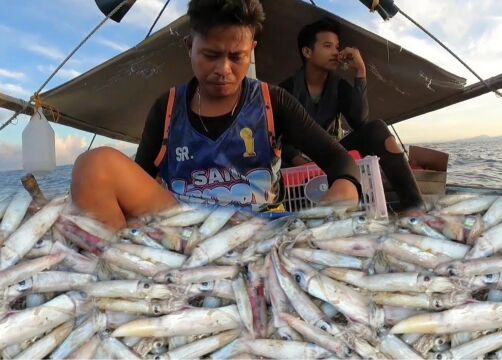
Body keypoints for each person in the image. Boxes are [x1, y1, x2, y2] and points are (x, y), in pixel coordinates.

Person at [70, 0, 362, 229]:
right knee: (95, 165)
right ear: (190, 48)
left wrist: (336, 202)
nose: (223, 69)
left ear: (252, 51)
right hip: (185, 230)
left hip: (261, 231)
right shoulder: (167, 108)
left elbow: (342, 163)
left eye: (237, 57)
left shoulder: (274, 101)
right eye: (211, 55)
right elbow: (141, 181)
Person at [279, 18, 424, 212]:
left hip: (329, 154)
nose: (335, 52)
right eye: (327, 46)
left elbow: (359, 121)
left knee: (376, 130)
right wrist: (299, 160)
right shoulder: (285, 90)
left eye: (337, 47)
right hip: (294, 165)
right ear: (307, 52)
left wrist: (361, 71)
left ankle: (415, 207)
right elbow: (276, 137)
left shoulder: (338, 86)